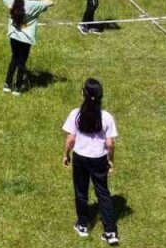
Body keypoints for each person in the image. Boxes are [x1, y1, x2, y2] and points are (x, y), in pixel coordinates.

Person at [63, 78, 120, 245]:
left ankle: (83, 225)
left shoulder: (76, 114)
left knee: (81, 191)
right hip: (99, 159)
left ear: (84, 94)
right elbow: (110, 144)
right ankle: (110, 232)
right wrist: (110, 160)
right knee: (103, 193)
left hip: (80, 158)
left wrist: (66, 154)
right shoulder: (107, 117)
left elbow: (70, 139)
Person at [2, 0, 53, 94]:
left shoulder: (12, 1)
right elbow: (50, 2)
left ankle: (7, 84)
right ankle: (18, 87)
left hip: (14, 35)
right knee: (22, 62)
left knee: (14, 59)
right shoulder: (34, 5)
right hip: (27, 38)